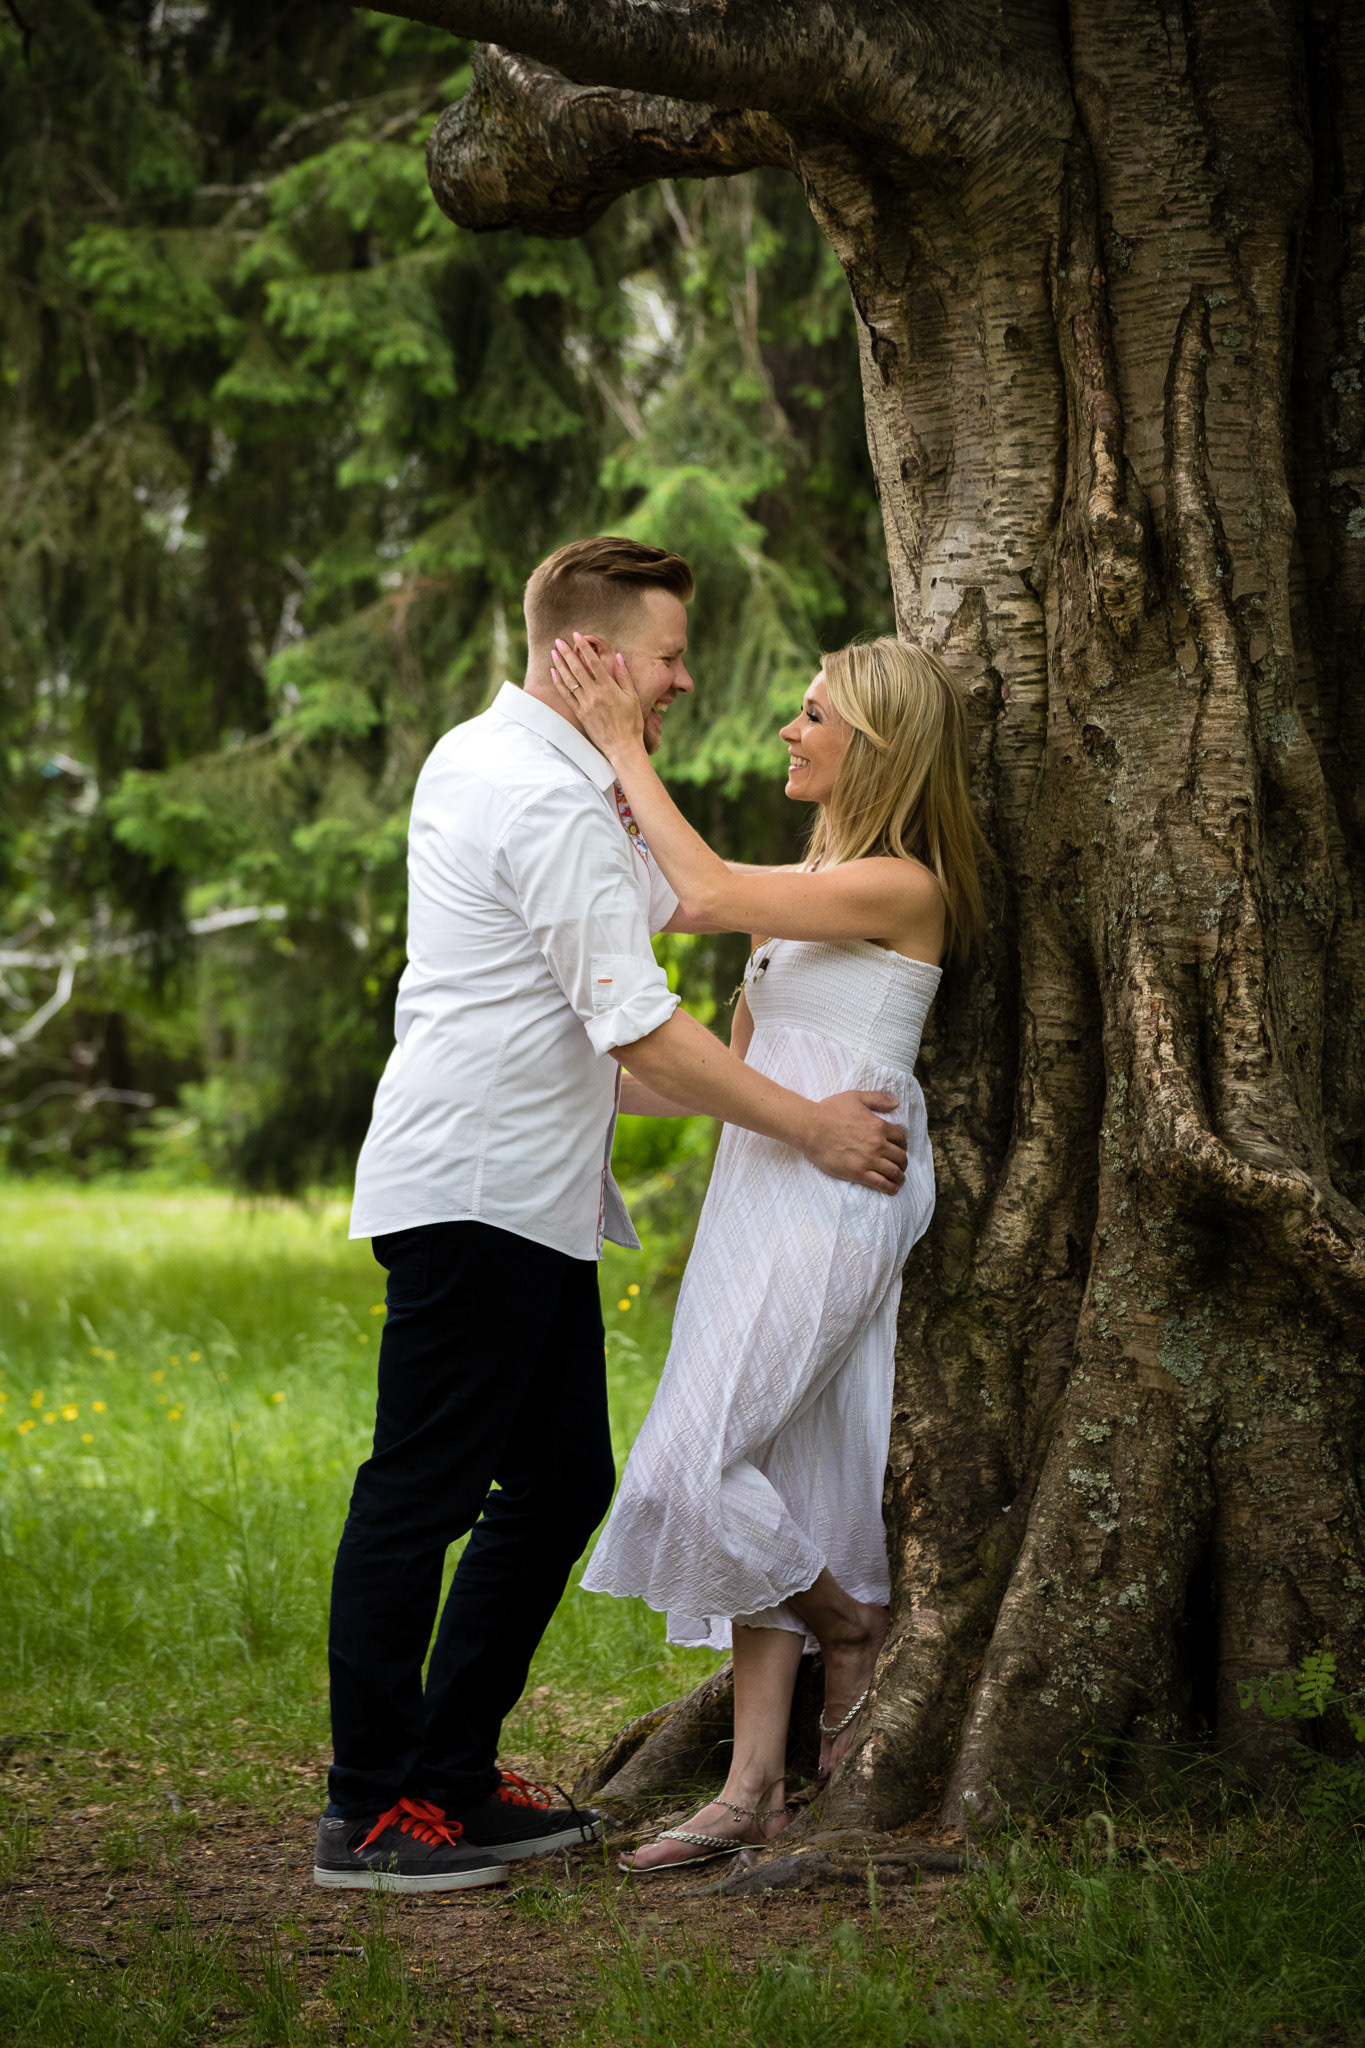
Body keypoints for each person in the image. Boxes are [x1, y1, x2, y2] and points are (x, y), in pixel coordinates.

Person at [314, 537, 909, 1895]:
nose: (685, 682)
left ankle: (450, 1777)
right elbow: (636, 1021)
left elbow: (674, 923)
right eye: (668, 656)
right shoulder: (541, 795)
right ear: (587, 653)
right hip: (478, 1189)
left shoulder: (520, 765)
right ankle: (372, 1809)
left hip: (526, 1193)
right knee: (421, 1492)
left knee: (560, 1481)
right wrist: (810, 1123)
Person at [550, 628, 985, 1874]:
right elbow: (725, 1078)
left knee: (686, 1469)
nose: (789, 730)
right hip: (763, 1183)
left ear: (878, 744)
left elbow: (699, 890)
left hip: (840, 1191)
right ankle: (752, 1789)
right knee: (781, 1470)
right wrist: (555, 1078)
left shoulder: (903, 884)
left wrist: (622, 744)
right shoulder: (812, 888)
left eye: (813, 714)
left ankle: (851, 1622)